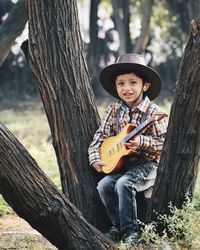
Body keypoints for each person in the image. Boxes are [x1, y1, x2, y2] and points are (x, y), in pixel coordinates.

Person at [88, 54, 168, 245]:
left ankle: (132, 232)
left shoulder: (153, 112)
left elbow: (165, 144)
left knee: (125, 184)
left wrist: (141, 142)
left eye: (133, 82)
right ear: (116, 87)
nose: (127, 88)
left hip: (147, 165)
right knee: (104, 185)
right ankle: (117, 226)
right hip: (120, 163)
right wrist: (94, 158)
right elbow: (100, 137)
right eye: (121, 83)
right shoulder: (114, 109)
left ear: (145, 86)